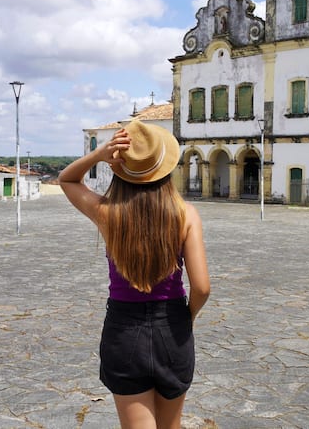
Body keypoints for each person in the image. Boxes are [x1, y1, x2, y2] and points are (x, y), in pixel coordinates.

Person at [59, 120, 210, 429]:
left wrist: (99, 154)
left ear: (122, 170)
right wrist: (187, 317)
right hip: (172, 328)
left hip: (123, 331)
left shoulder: (108, 213)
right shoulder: (186, 214)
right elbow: (202, 287)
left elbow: (67, 180)